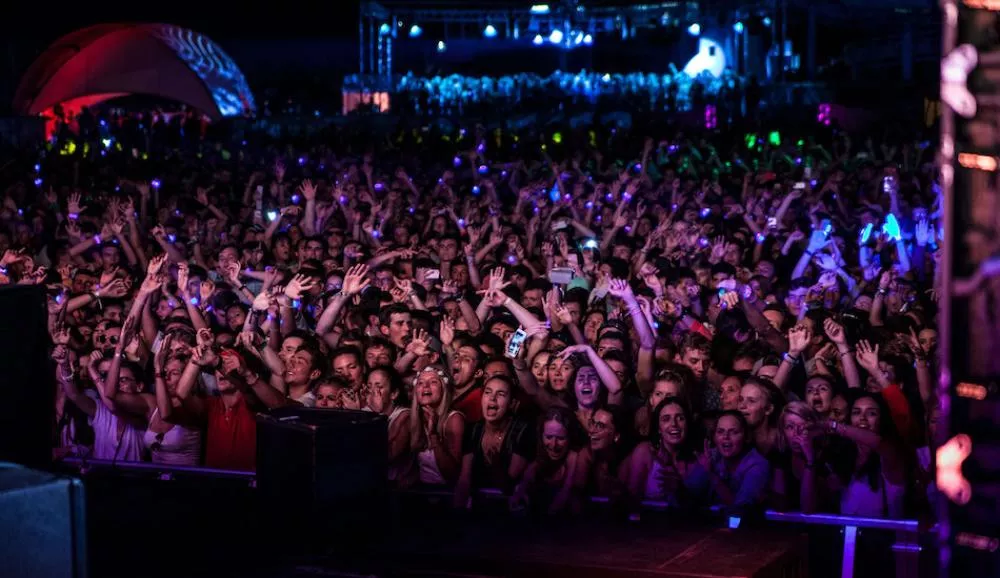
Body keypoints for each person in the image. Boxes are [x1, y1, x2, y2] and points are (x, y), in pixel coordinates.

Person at [453, 375, 535, 507]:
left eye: (500, 394)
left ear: (512, 403)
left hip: (510, 509)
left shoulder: (523, 431)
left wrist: (497, 465)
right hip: (479, 508)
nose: (492, 398)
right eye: (488, 392)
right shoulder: (474, 430)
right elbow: (464, 478)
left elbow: (508, 487)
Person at [627, 396, 706, 508]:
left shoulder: (700, 458)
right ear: (659, 428)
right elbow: (632, 500)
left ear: (687, 423)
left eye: (680, 418)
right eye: (666, 419)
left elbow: (704, 508)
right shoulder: (645, 452)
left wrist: (680, 492)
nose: (674, 424)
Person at [699, 410, 771, 514]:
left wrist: (712, 475)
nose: (726, 437)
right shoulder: (711, 456)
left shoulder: (758, 464)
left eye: (733, 432)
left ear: (746, 437)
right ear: (714, 437)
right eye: (720, 431)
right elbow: (690, 496)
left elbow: (740, 509)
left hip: (747, 527)